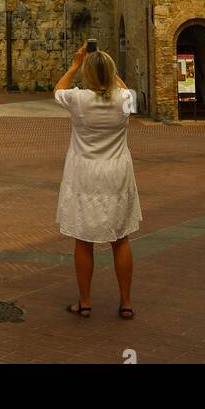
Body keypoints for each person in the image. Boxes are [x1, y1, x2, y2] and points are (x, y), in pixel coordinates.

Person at [53, 42, 142, 320]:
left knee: (83, 239)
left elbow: (57, 90)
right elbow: (123, 89)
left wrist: (77, 63)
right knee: (121, 238)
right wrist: (108, 67)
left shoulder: (79, 99)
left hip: (85, 172)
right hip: (117, 172)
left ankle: (86, 301)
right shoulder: (125, 99)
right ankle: (126, 301)